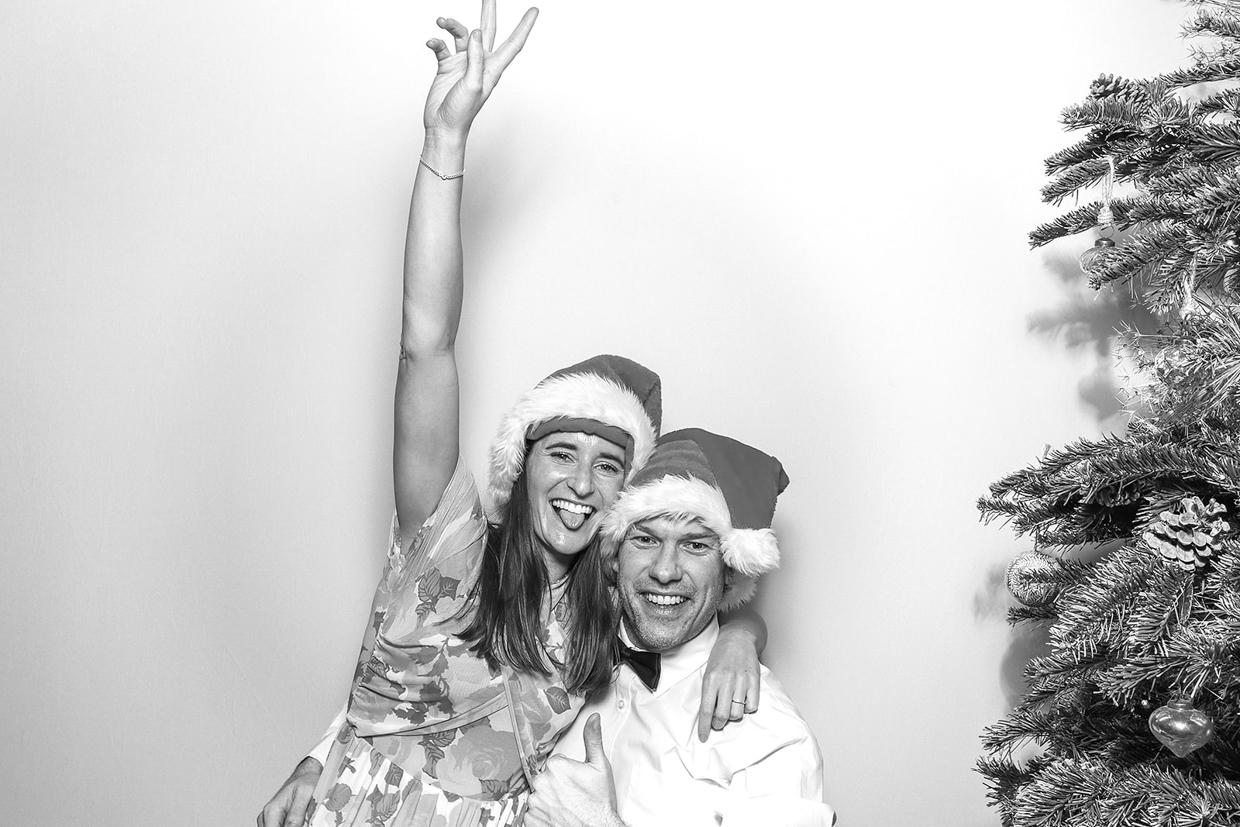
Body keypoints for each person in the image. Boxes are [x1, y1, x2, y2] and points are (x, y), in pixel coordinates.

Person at [256, 5, 765, 826]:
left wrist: (746, 635)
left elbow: (698, 588)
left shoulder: (609, 605)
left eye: (609, 466)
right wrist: (446, 145)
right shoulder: (448, 540)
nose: (581, 482)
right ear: (517, 465)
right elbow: (427, 343)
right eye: (561, 452)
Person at [525, 429, 836, 827]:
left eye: (695, 545)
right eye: (645, 538)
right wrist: (744, 629)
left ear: (729, 572)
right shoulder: (568, 639)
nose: (665, 570)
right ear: (614, 558)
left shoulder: (770, 737)